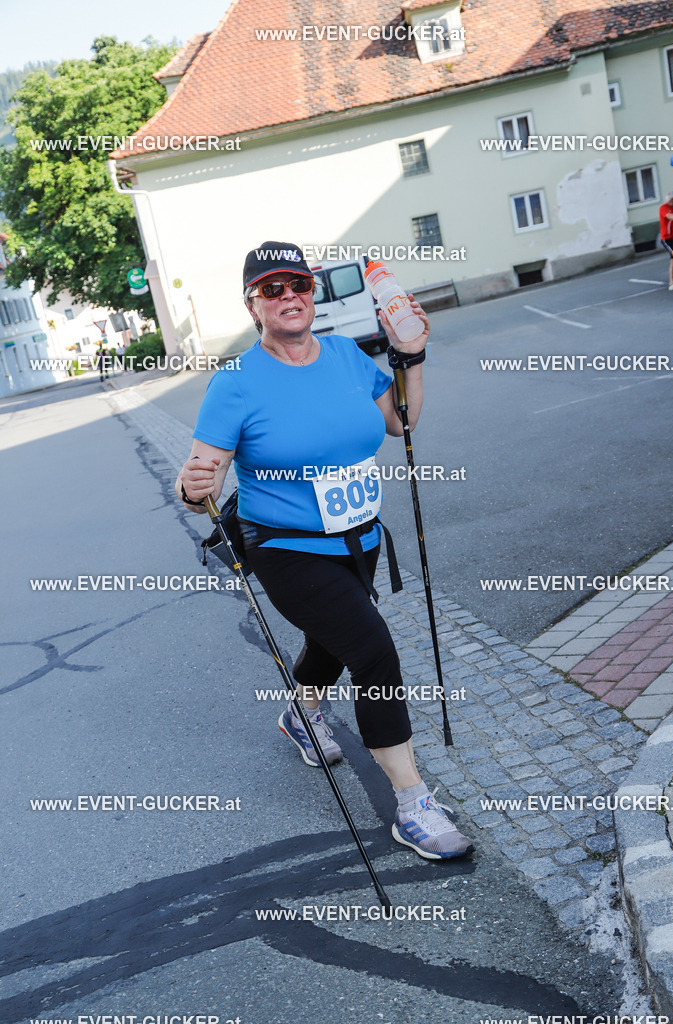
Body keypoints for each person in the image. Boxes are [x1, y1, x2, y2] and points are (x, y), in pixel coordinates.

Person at [176, 242, 474, 861]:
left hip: (359, 536)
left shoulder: (345, 354)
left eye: (300, 285)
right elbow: (200, 473)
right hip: (285, 548)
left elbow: (402, 424)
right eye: (272, 289)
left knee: (332, 641)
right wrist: (191, 486)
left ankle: (299, 715)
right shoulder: (236, 381)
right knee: (371, 647)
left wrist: (411, 356)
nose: (290, 297)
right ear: (253, 304)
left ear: (313, 292)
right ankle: (413, 802)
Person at [659, 191, 673, 290]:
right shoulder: (663, 208)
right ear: (672, 199)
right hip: (668, 239)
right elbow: (669, 217)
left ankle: (672, 283)